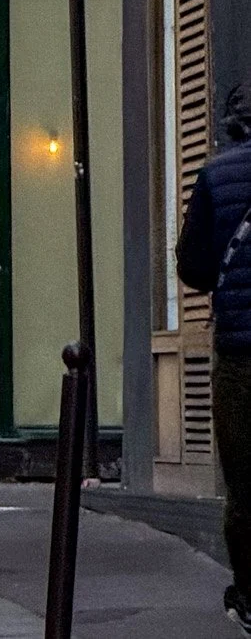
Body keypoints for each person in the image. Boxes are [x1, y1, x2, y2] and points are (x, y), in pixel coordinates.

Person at [177, 82, 251, 632]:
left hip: (240, 357)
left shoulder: (215, 176)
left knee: (245, 485)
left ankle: (249, 596)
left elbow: (194, 269)